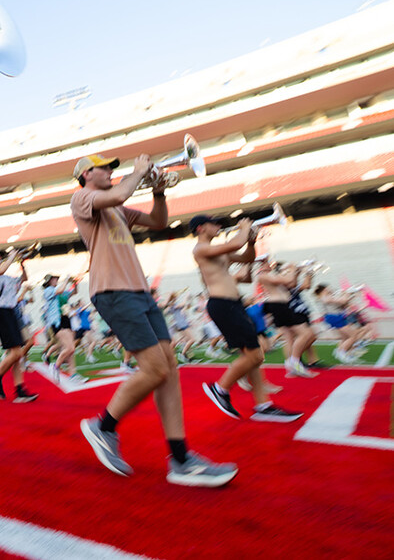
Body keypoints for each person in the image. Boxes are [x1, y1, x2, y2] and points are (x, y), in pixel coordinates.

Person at [71, 153, 237, 487]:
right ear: (87, 174)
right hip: (113, 291)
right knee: (153, 369)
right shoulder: (83, 197)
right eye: (106, 168)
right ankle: (103, 428)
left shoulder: (117, 209)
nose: (111, 173)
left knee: (169, 370)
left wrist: (158, 191)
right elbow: (119, 193)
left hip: (139, 292)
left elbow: (158, 222)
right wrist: (138, 173)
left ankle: (180, 458)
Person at [190, 215, 301, 422]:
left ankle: (263, 405)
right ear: (200, 228)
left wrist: (251, 240)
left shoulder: (221, 252)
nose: (219, 226)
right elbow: (236, 242)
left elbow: (247, 258)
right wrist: (244, 228)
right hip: (222, 305)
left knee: (253, 358)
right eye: (214, 223)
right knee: (256, 355)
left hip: (234, 305)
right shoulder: (200, 249)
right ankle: (220, 388)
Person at [0, 249, 39, 403]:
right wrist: (13, 256)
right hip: (1, 312)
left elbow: (24, 279)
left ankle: (19, 390)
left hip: (11, 312)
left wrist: (22, 264)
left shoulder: (6, 276)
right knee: (16, 353)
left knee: (16, 353)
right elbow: (0, 271)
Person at [257, 261, 317, 378]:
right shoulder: (265, 275)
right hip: (278, 305)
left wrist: (298, 271)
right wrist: (294, 268)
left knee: (289, 337)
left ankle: (291, 366)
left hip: (282, 305)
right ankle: (294, 362)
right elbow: (288, 280)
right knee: (306, 333)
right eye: (266, 262)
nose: (270, 264)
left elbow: (293, 283)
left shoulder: (272, 276)